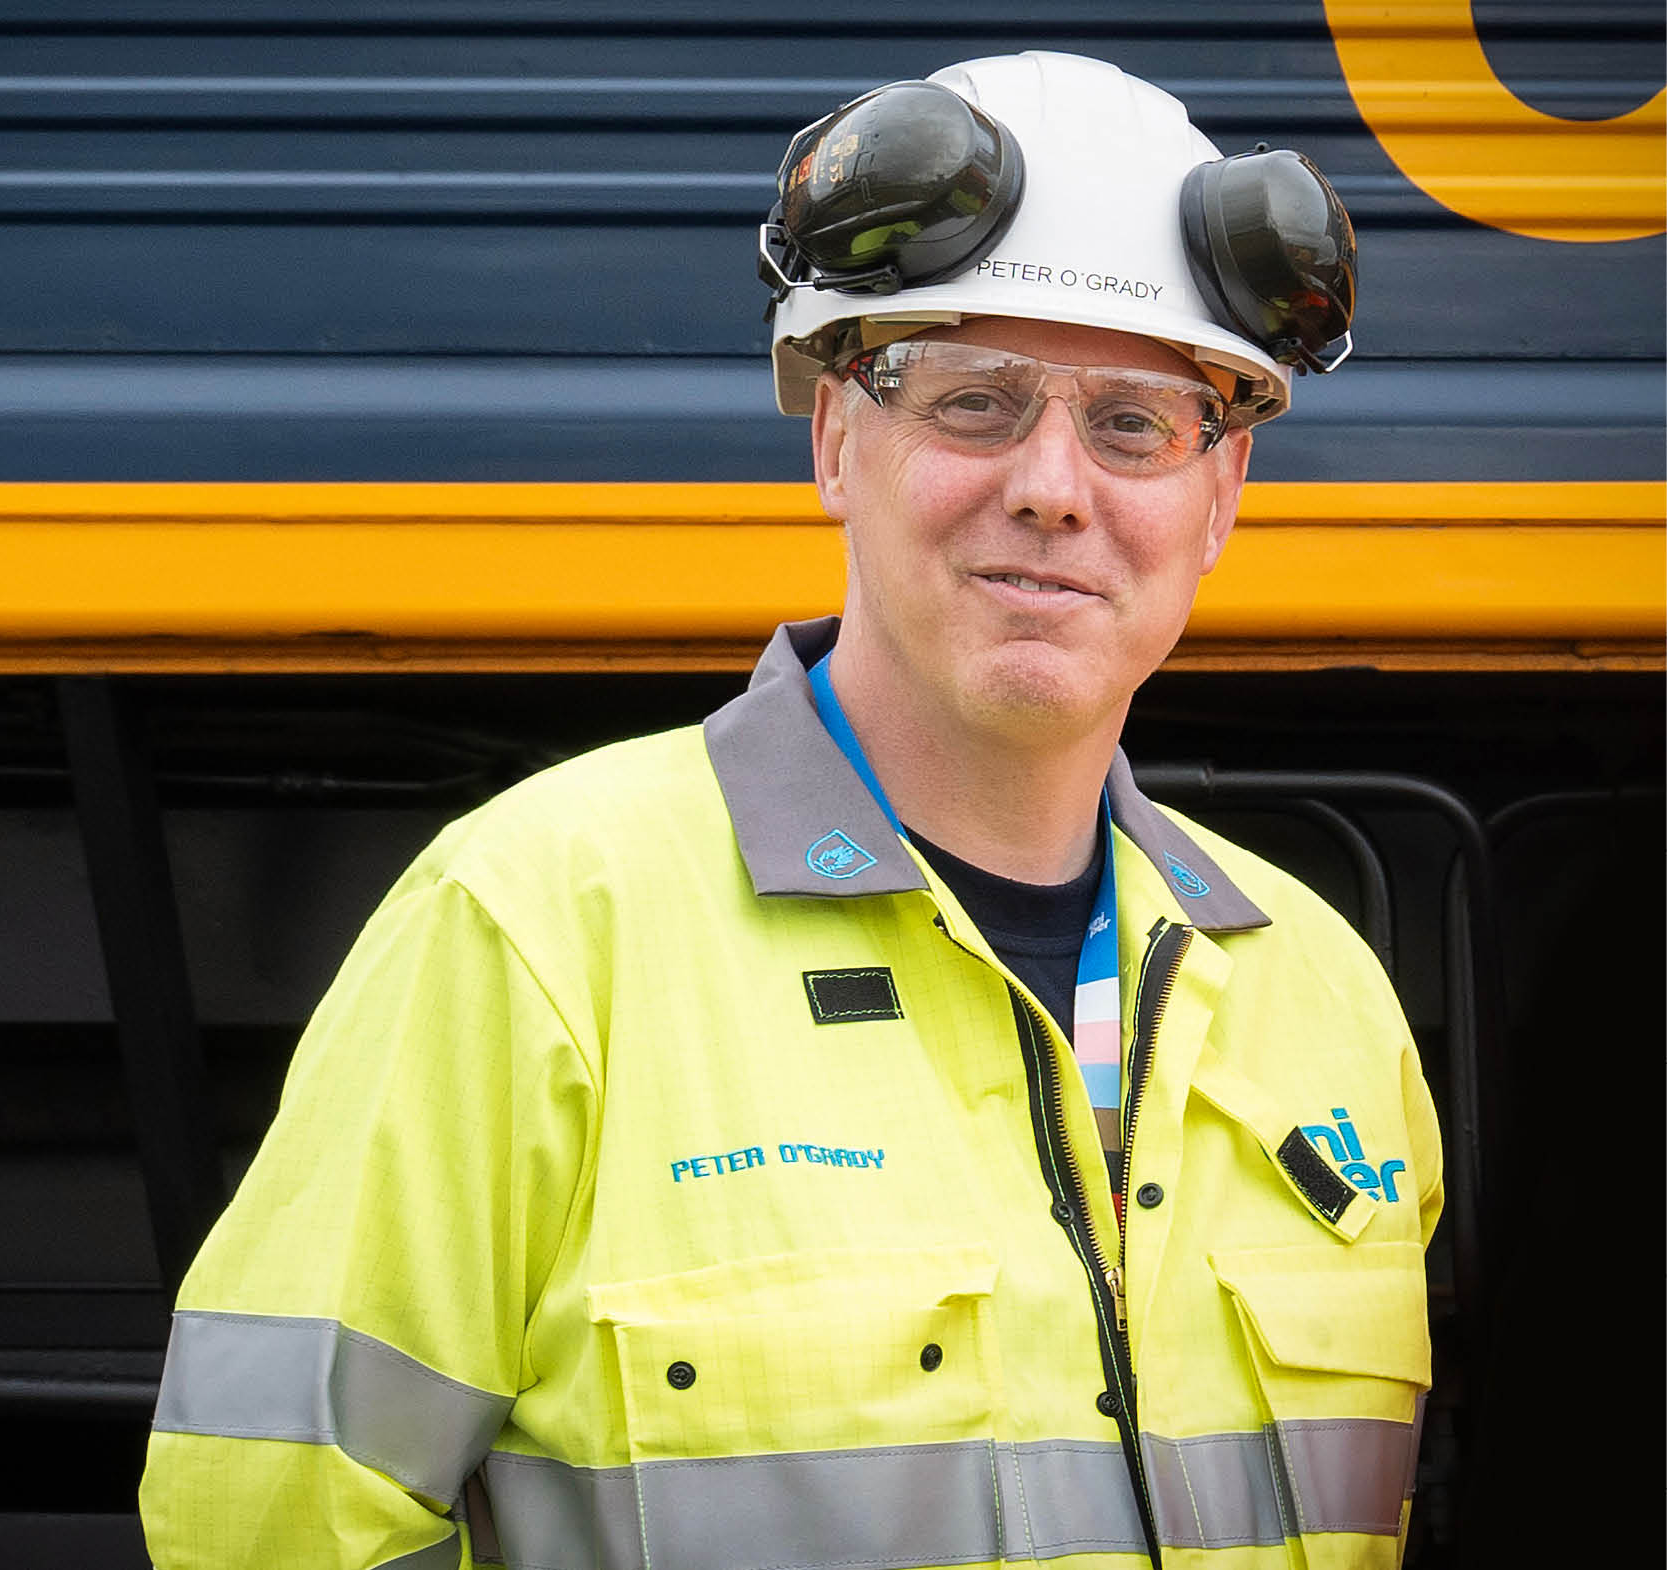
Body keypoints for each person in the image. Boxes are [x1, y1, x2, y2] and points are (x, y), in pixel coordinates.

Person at [138, 50, 1441, 1570]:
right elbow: (264, 1530)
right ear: (837, 439)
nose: (1052, 485)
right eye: (973, 401)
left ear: (1220, 496)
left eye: (1136, 427)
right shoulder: (539, 934)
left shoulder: (1328, 1002)